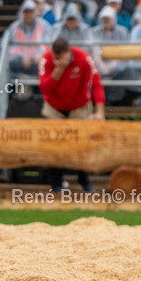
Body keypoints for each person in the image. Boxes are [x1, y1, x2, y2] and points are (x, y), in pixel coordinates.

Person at [37, 37, 105, 192]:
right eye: (56, 57)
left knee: (81, 144)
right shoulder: (46, 59)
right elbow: (45, 88)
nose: (58, 60)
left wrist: (99, 111)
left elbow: (96, 83)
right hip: (54, 107)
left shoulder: (84, 58)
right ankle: (56, 185)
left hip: (79, 106)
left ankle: (84, 182)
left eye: (62, 57)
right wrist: (58, 70)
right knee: (54, 145)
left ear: (69, 52)